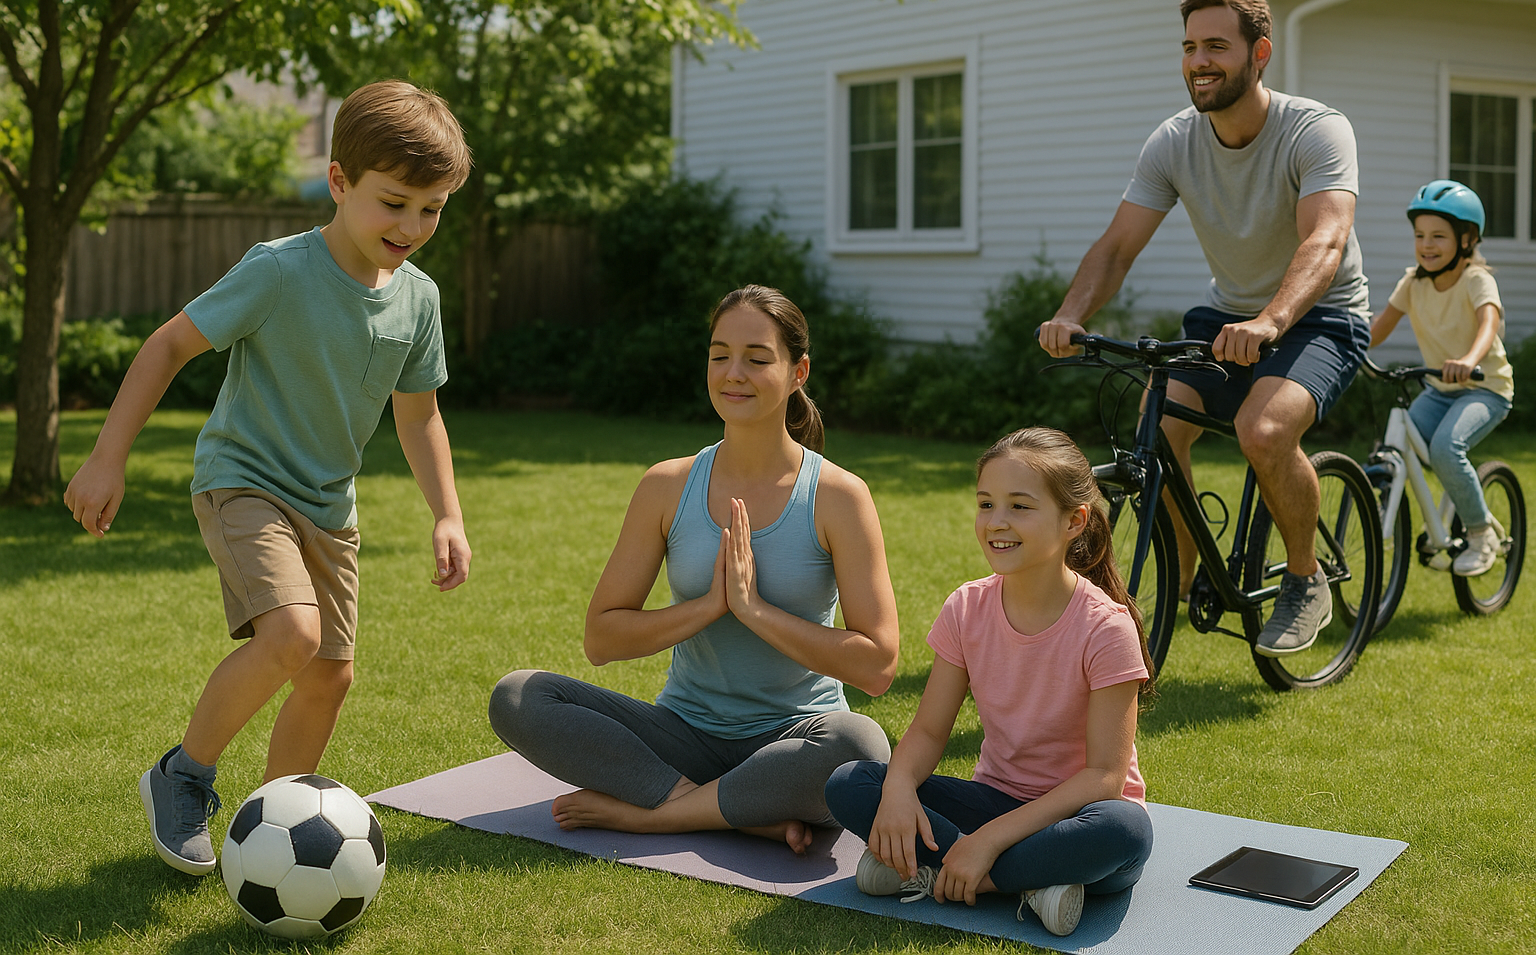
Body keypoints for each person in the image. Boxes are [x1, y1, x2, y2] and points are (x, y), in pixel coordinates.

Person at [62, 80, 474, 876]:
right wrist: (107, 456)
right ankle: (182, 776)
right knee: (292, 634)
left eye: (432, 209)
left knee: (331, 674)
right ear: (339, 181)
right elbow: (167, 346)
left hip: (330, 504)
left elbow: (419, 415)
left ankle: (273, 839)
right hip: (244, 480)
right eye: (395, 203)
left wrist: (447, 514)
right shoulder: (280, 270)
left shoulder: (417, 301)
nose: (413, 227)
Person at [488, 285, 900, 854]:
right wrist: (708, 606)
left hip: (797, 738)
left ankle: (657, 814)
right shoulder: (667, 485)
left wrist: (753, 610)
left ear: (799, 371)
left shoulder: (838, 496)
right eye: (719, 355)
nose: (734, 373)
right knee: (517, 696)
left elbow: (878, 666)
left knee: (861, 745)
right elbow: (602, 637)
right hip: (682, 735)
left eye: (757, 359)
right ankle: (735, 810)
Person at [1037, 0, 1372, 658]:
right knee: (1155, 433)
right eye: (1190, 47)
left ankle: (1305, 579)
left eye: (1216, 45)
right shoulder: (1174, 142)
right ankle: (1181, 583)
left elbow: (1325, 243)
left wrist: (1274, 321)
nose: (1199, 61)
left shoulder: (1316, 129)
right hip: (1225, 315)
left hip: (1322, 316)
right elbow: (1117, 247)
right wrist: (1071, 313)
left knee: (1263, 428)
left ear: (1260, 53)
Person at [824, 427, 1155, 938]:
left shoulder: (1107, 628)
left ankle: (940, 867)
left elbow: (1104, 778)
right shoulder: (966, 608)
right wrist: (897, 790)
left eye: (1020, 507)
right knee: (851, 783)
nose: (996, 522)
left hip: (1080, 817)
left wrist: (988, 841)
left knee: (1125, 832)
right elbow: (930, 732)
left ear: (1075, 521)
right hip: (994, 800)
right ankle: (1030, 883)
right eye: (986, 504)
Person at [1369, 180, 1514, 576]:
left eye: (1438, 236)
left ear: (1466, 239)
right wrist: (1341, 342)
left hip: (1485, 388)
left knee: (1448, 450)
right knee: (1391, 450)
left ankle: (1481, 532)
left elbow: (1489, 323)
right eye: (1419, 236)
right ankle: (1404, 520)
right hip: (1440, 389)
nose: (1426, 245)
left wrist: (1468, 358)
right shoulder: (1413, 283)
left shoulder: (1476, 279)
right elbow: (1377, 330)